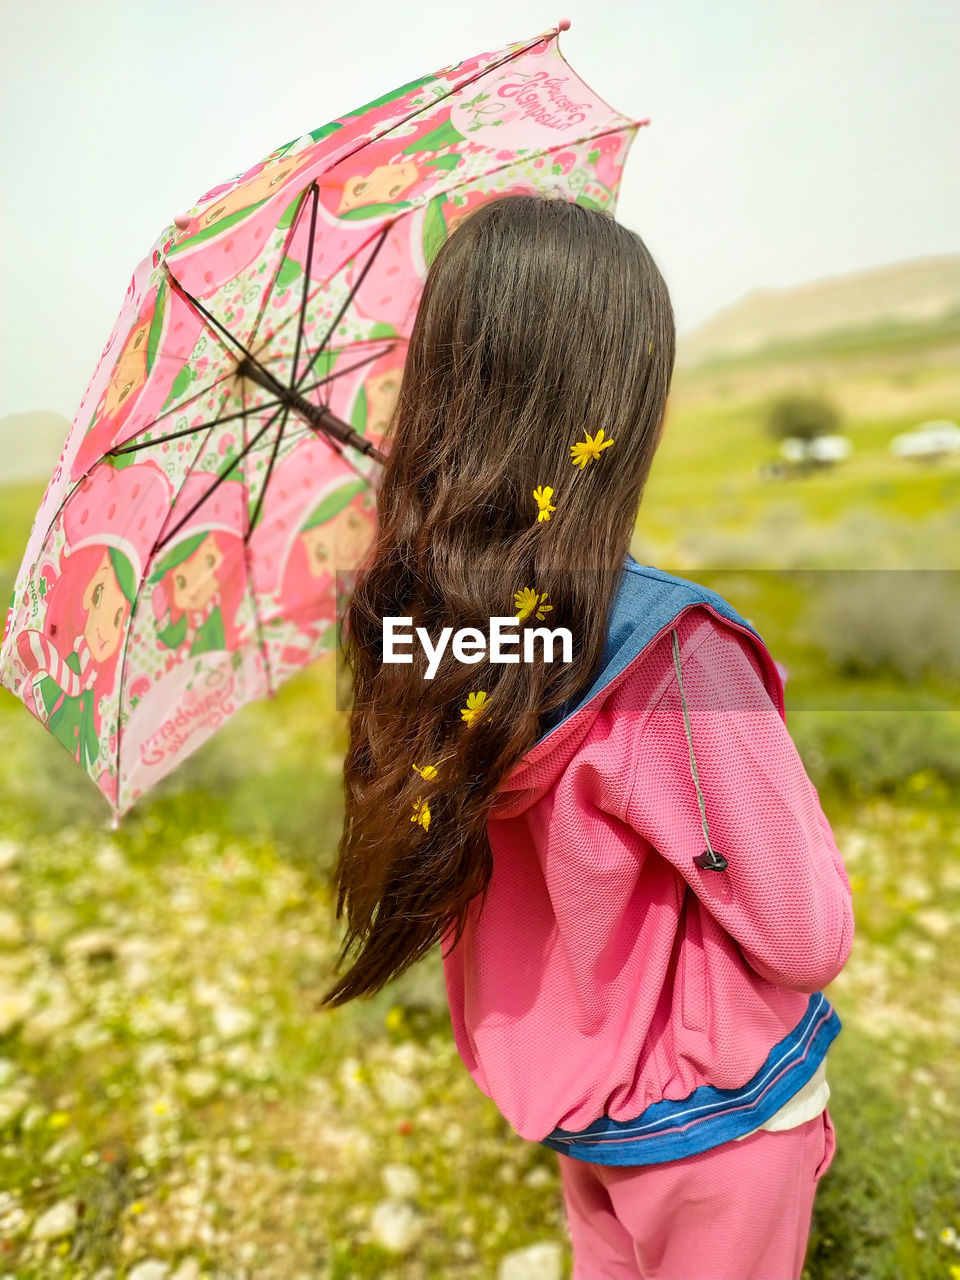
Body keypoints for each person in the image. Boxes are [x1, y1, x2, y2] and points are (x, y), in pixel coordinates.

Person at [319, 193, 854, 1280]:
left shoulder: (420, 629)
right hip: (720, 1123)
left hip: (575, 1103)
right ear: (620, 405)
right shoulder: (673, 654)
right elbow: (808, 935)